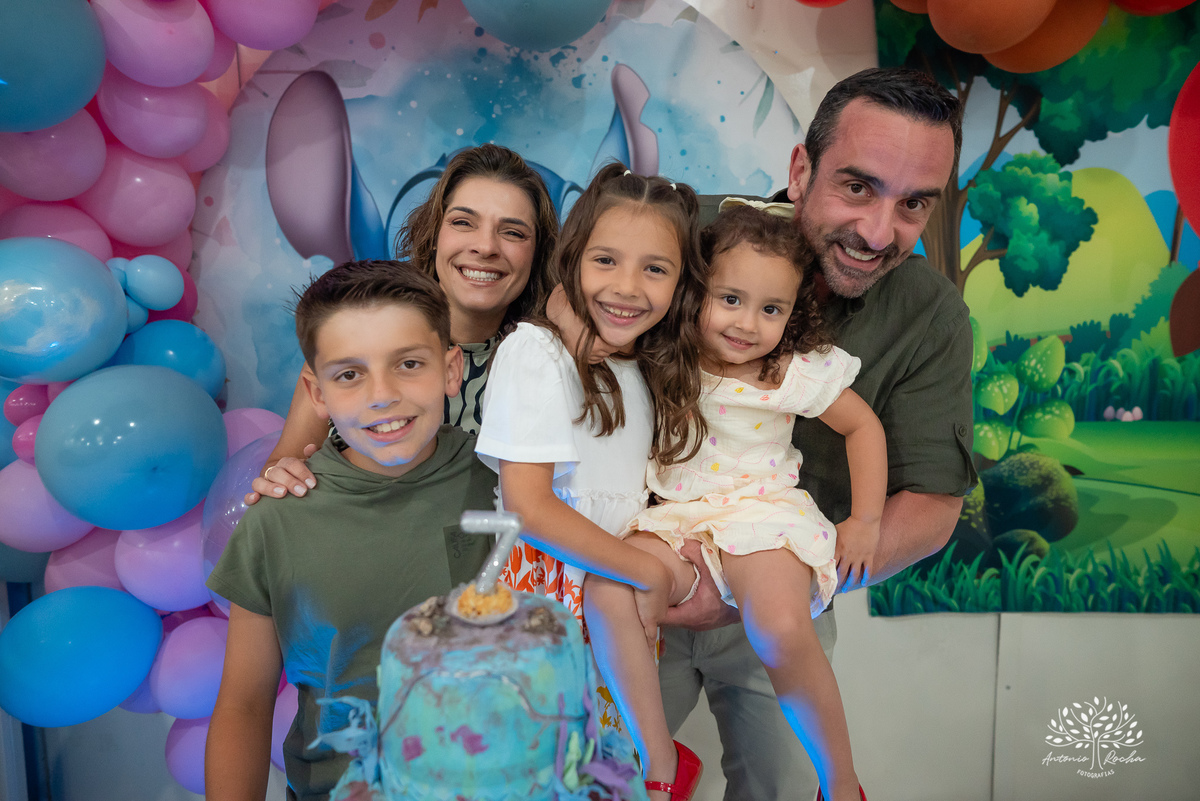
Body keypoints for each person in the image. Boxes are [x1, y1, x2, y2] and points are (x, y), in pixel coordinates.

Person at [657, 67, 978, 799]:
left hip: (783, 593)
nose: (877, 231)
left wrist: (788, 579)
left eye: (913, 204)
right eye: (858, 187)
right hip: (644, 565)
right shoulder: (683, 237)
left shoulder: (931, 316)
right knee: (585, 769)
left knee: (790, 786)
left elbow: (933, 507)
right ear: (801, 169)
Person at [585, 202, 886, 801]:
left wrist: (867, 520)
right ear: (696, 292)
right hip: (676, 518)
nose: (747, 323)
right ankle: (659, 758)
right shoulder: (664, 350)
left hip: (761, 515)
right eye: (730, 299)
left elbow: (864, 427)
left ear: (793, 313)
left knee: (777, 625)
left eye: (771, 308)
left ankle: (842, 781)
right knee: (608, 590)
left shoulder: (790, 370)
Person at [205, 261, 498, 801]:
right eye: (349, 374)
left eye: (409, 363)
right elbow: (245, 703)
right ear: (316, 393)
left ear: (451, 368)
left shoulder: (506, 489)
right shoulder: (278, 517)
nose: (381, 394)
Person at [473, 162, 709, 795]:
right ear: (573, 261)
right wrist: (647, 572)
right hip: (551, 602)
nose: (627, 287)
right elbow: (528, 505)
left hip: (615, 611)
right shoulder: (536, 352)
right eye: (605, 261)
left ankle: (657, 765)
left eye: (655, 269)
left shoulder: (645, 364)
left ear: (682, 284)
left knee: (605, 771)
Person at [249, 144, 559, 503]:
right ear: (433, 236)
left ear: (537, 255)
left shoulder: (543, 360)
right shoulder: (354, 339)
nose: (486, 246)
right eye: (463, 222)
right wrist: (279, 474)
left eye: (513, 232)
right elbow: (285, 464)